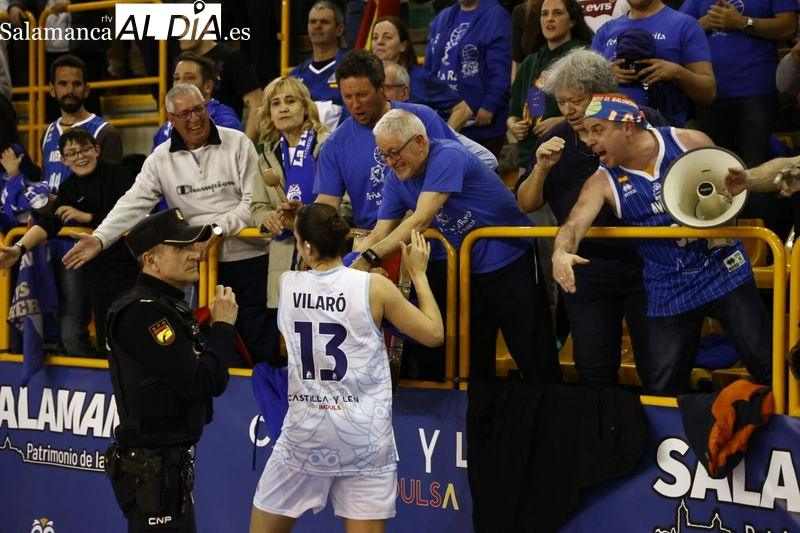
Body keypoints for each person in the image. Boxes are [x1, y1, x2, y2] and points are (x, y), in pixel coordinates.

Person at [551, 94, 772, 395]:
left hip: (723, 269)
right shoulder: (601, 182)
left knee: (768, 366)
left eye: (597, 130)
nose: (589, 140)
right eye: (586, 132)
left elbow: (737, 189)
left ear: (627, 127)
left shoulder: (690, 142)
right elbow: (574, 224)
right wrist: (561, 252)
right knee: (662, 386)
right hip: (669, 286)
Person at [249, 203, 443, 533]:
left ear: (307, 246)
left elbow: (328, 283)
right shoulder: (375, 288)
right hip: (363, 437)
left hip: (305, 435)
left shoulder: (287, 284)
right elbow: (434, 334)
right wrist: (420, 276)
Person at [62, 84, 276, 366]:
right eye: (184, 113)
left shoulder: (237, 142)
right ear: (171, 119)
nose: (195, 119)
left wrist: (218, 229)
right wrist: (100, 238)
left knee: (260, 344)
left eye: (198, 109)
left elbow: (254, 203)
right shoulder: (160, 158)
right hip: (197, 267)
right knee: (206, 348)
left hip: (249, 260)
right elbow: (133, 202)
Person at [352, 108, 561, 383]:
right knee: (472, 362)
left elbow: (421, 219)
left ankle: (555, 419)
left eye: (394, 152)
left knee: (533, 354)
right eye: (384, 155)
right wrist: (348, 266)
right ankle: (480, 423)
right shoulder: (395, 179)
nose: (390, 161)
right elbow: (380, 232)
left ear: (419, 142)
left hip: (512, 259)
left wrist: (368, 258)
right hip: (466, 271)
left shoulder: (448, 155)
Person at [517, 49, 658, 385]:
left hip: (649, 264)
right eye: (562, 102)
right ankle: (600, 433)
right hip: (585, 270)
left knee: (659, 366)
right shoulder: (556, 139)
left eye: (576, 101)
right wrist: (541, 169)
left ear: (603, 94)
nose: (568, 110)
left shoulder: (642, 121)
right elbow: (525, 203)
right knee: (593, 369)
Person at [104, 207, 238, 533]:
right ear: (151, 260)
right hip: (152, 468)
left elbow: (207, 373)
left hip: (167, 465)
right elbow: (203, 381)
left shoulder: (166, 305)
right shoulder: (144, 314)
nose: (195, 254)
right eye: (181, 247)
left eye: (193, 245)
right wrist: (222, 327)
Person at [0, 127, 138, 355]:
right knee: (108, 343)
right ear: (63, 160)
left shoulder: (120, 174)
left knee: (134, 336)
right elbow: (49, 224)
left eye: (85, 149)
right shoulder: (69, 188)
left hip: (131, 270)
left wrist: (87, 217)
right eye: (72, 153)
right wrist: (18, 248)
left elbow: (133, 215)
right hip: (98, 274)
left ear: (97, 150)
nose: (80, 157)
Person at [314, 49, 462, 231]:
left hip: (434, 238)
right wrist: (305, 216)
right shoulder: (335, 144)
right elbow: (328, 203)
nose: (355, 104)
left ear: (381, 88)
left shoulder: (423, 118)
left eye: (362, 95)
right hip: (375, 242)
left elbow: (458, 168)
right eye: (348, 97)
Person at [679, 0, 797, 228]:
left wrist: (743, 22)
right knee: (714, 173)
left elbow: (789, 27)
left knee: (756, 167)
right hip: (709, 93)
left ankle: (765, 246)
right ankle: (724, 244)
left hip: (756, 90)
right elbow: (681, 28)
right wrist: (705, 23)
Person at [42, 53, 123, 357]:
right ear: (52, 89)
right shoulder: (49, 131)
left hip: (93, 247)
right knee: (60, 330)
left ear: (87, 89)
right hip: (55, 244)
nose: (69, 90)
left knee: (83, 330)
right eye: (63, 84)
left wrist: (82, 213)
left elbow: (115, 197)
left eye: (76, 84)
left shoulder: (104, 132)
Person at [251, 76, 329, 337]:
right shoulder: (266, 155)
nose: (282, 108)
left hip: (324, 255)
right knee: (290, 343)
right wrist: (268, 218)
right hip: (283, 259)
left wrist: (306, 218)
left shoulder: (327, 145)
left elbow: (347, 202)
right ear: (269, 113)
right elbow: (257, 205)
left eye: (290, 101)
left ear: (305, 107)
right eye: (275, 103)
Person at [591, 0, 716, 127]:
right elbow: (585, 89)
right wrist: (607, 76)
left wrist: (677, 73)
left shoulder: (685, 25)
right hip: (611, 132)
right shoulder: (606, 30)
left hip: (663, 131)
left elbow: (708, 93)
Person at [507, 0, 594, 174]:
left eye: (557, 13)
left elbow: (597, 103)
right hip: (528, 155)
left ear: (572, 21)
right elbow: (513, 111)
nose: (550, 19)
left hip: (568, 152)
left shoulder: (583, 58)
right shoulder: (530, 62)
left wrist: (562, 121)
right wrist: (513, 125)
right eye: (544, 14)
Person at [425, 0, 512, 157]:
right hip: (443, 119)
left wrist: (490, 104)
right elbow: (429, 68)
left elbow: (502, 69)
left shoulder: (496, 16)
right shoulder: (443, 17)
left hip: (481, 126)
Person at [382, 61, 498, 171]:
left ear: (404, 92)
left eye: (385, 87)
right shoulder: (367, 124)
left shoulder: (424, 119)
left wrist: (446, 186)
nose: (379, 94)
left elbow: (487, 159)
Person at [370, 15, 472, 131]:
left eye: (387, 37)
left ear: (403, 45)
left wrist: (441, 141)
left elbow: (463, 110)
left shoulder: (421, 78)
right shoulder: (366, 79)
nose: (379, 42)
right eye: (375, 37)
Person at [151, 52, 244, 152]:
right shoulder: (166, 127)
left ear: (207, 86)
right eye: (177, 78)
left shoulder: (225, 121)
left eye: (189, 77)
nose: (180, 84)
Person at [178, 39, 263, 141]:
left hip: (225, 136)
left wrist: (244, 147)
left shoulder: (231, 57)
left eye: (187, 24)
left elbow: (257, 102)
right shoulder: (179, 63)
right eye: (176, 78)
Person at [289, 1, 349, 131]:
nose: (317, 26)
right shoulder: (295, 75)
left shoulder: (351, 67)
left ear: (339, 29)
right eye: (312, 22)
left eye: (324, 22)